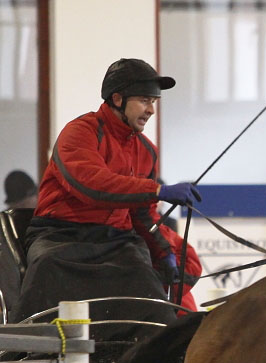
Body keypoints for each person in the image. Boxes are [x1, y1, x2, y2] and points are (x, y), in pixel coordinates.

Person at [11, 58, 201, 337]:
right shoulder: (79, 132)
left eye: (154, 102)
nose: (150, 110)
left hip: (117, 242)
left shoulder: (147, 151)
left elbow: (143, 216)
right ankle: (19, 349)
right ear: (117, 98)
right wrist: (157, 190)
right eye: (144, 100)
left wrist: (165, 253)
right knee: (46, 268)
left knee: (151, 299)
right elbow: (91, 185)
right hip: (60, 237)